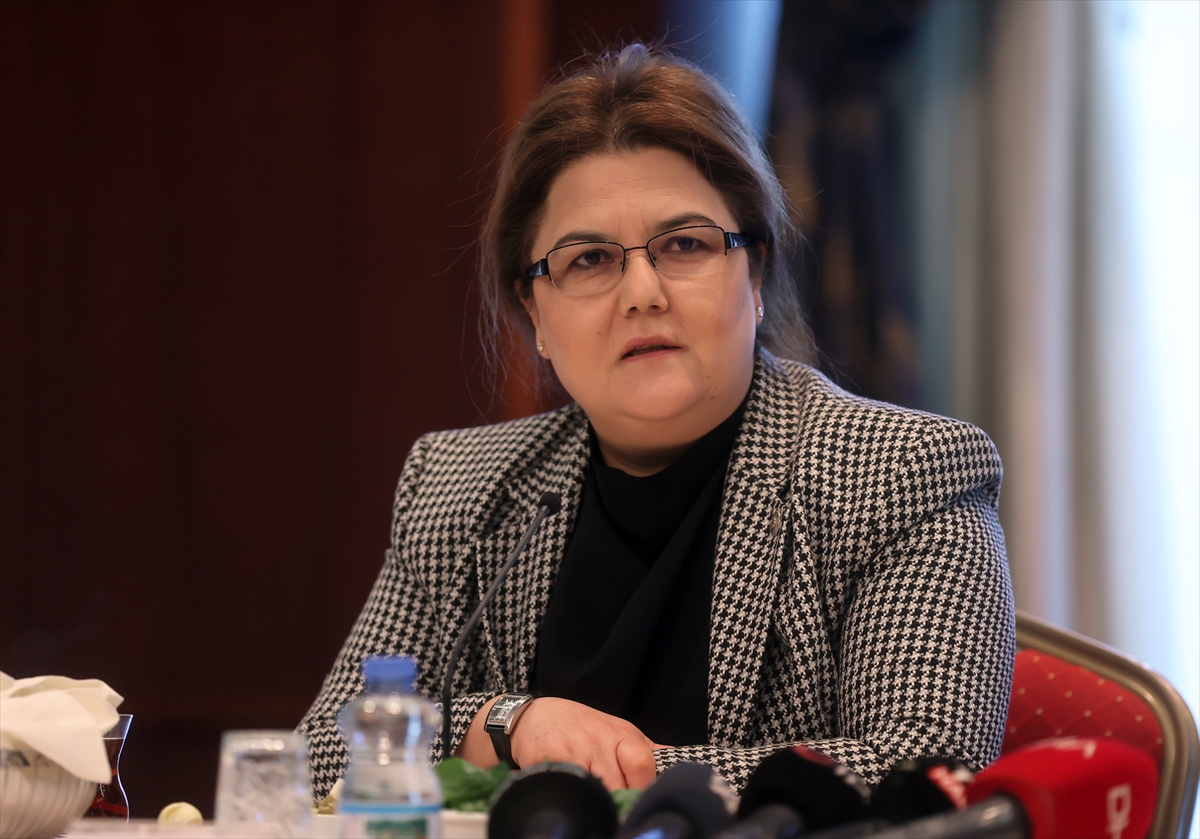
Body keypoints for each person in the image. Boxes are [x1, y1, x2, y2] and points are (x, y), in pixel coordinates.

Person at [299, 43, 1014, 797]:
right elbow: (322, 755)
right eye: (588, 260)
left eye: (684, 245)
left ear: (756, 274)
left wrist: (596, 775)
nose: (642, 292)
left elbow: (923, 774)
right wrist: (509, 723)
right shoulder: (462, 488)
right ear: (535, 313)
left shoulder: (902, 474)